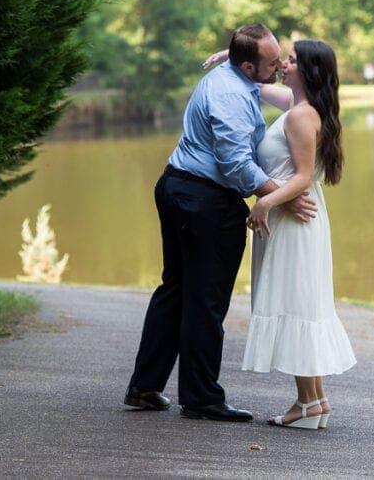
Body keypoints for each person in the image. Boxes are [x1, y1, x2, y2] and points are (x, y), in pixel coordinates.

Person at [124, 23, 316, 423]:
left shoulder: (230, 77)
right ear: (249, 66)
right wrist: (280, 195)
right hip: (204, 201)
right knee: (205, 302)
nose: (280, 65)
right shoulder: (231, 94)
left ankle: (145, 387)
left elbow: (261, 81)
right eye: (271, 61)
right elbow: (235, 163)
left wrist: (234, 56)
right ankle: (201, 398)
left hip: (178, 186)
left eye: (282, 57)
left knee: (175, 291)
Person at [206, 39, 356, 429]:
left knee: (296, 305)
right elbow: (259, 87)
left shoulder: (300, 116)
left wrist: (265, 204)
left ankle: (307, 402)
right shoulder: (299, 108)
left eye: (290, 60)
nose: (283, 64)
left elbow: (303, 177)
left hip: (294, 222)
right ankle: (315, 400)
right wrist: (233, 59)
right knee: (300, 304)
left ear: (306, 71)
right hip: (300, 219)